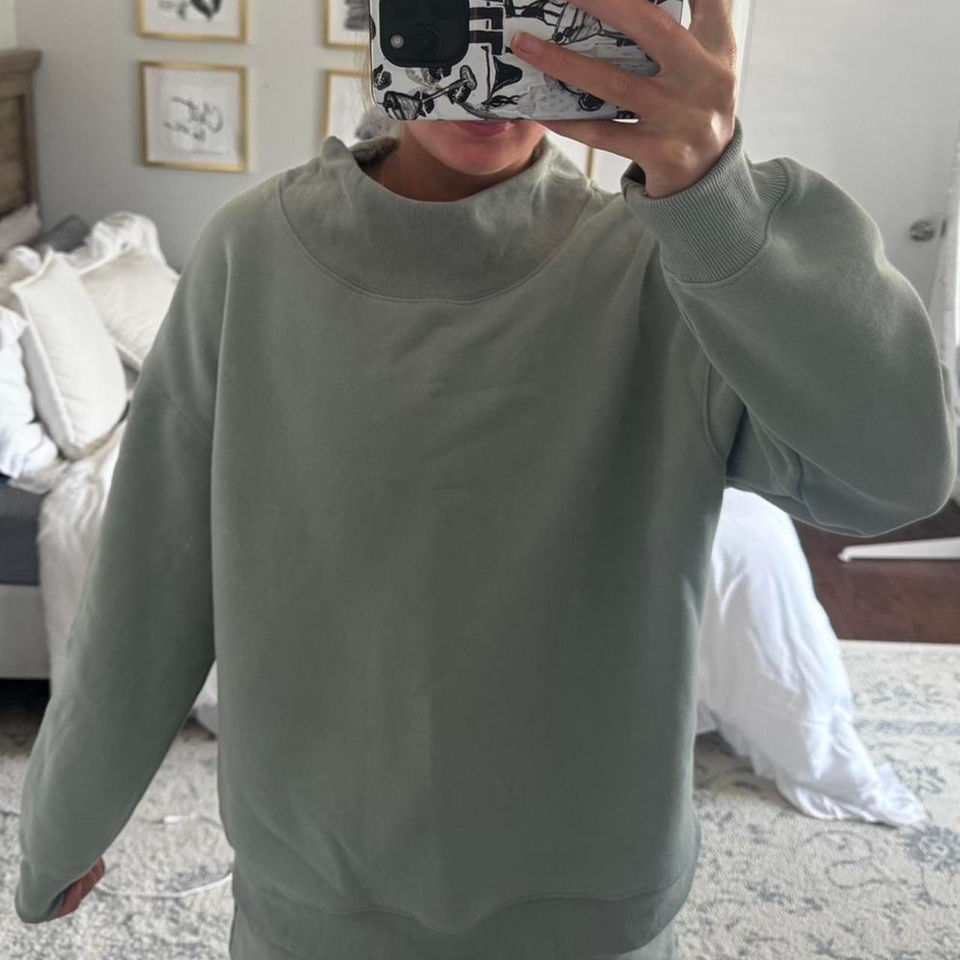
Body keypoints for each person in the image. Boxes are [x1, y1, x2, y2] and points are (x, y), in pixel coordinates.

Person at [14, 1, 957, 957]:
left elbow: (891, 480)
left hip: (590, 908)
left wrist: (718, 201)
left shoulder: (668, 265)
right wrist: (65, 817)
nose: (499, 57)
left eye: (543, 9)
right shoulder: (250, 253)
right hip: (314, 907)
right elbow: (154, 571)